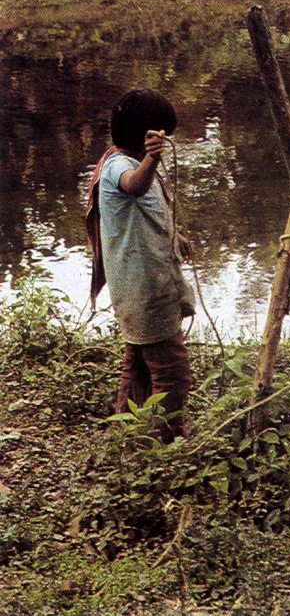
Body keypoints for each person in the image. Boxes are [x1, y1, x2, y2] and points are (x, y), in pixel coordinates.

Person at [85, 89, 195, 442]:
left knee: (138, 365)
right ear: (145, 136)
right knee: (171, 370)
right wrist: (152, 160)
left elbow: (145, 210)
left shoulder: (128, 161)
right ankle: (167, 438)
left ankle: (127, 427)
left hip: (145, 284)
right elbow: (134, 187)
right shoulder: (120, 165)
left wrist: (174, 235)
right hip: (144, 288)